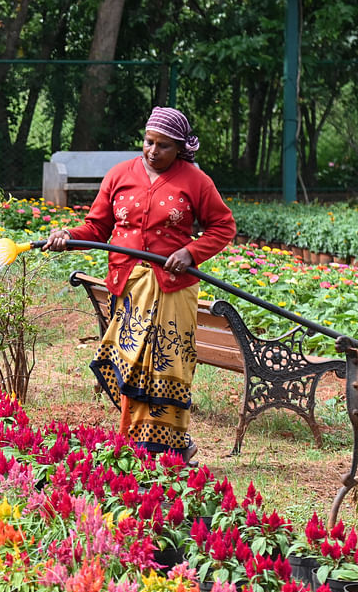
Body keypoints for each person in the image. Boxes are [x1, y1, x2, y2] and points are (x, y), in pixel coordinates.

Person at [44, 106, 236, 462]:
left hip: (172, 289)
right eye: (149, 142)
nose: (153, 151)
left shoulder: (196, 181)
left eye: (163, 145)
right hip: (129, 287)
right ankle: (134, 440)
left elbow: (223, 227)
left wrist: (191, 253)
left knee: (166, 365)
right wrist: (69, 235)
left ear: (179, 147)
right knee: (128, 363)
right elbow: (97, 228)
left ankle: (172, 446)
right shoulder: (120, 175)